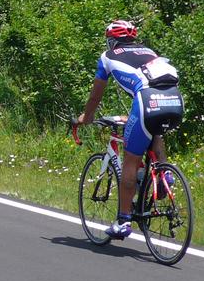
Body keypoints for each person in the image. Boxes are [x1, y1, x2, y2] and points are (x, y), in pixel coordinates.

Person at [74, 20, 184, 240]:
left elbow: (96, 95)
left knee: (130, 161)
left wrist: (87, 117)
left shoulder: (108, 56)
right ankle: (164, 174)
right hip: (175, 100)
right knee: (155, 132)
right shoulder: (149, 52)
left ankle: (123, 221)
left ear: (111, 40)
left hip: (146, 100)